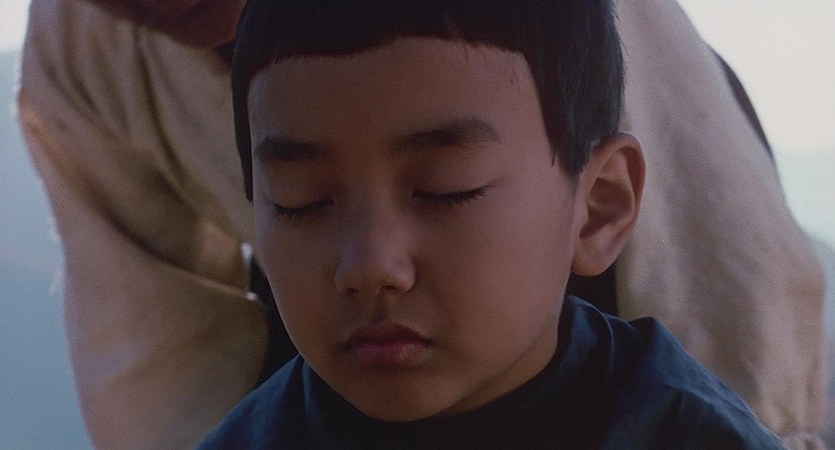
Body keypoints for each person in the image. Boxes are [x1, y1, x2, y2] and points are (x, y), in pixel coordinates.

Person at [16, 0, 826, 448]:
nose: (373, 261)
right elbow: (152, 361)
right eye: (296, 195)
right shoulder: (85, 50)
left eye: (446, 188)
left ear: (601, 202)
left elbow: (737, 299)